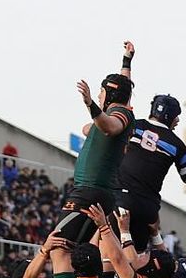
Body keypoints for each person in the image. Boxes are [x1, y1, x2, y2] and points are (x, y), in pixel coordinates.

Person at [49, 43, 135, 247]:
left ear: (110, 95)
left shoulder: (120, 113)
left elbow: (111, 127)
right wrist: (126, 61)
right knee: (75, 248)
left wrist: (90, 104)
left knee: (57, 246)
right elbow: (123, 87)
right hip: (94, 191)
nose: (98, 96)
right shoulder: (119, 108)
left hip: (90, 192)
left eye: (101, 92)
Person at [114, 93, 186, 251]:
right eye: (176, 116)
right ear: (169, 116)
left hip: (120, 198)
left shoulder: (133, 125)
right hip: (147, 207)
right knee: (135, 257)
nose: (177, 121)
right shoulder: (178, 145)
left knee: (107, 253)